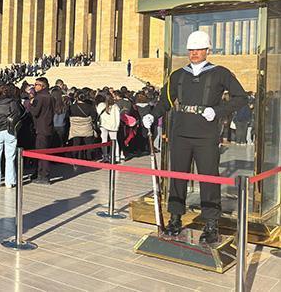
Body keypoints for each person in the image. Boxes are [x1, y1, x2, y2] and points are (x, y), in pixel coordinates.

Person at [143, 30, 246, 243]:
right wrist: (152, 116)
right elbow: (165, 101)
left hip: (205, 135)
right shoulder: (178, 75)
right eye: (191, 49)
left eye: (199, 49)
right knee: (178, 177)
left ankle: (211, 223)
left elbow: (241, 97)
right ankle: (175, 217)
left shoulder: (220, 73)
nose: (194, 53)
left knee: (209, 178)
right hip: (180, 133)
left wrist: (217, 111)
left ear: (207, 50)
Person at [29, 77, 54, 184]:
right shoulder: (50, 96)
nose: (34, 86)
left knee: (42, 153)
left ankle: (44, 175)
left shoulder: (39, 97)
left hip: (41, 128)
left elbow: (35, 112)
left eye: (36, 84)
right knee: (44, 151)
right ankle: (40, 173)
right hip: (48, 126)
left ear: (42, 86)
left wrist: (31, 103)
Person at [96, 94, 121, 163]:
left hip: (103, 125)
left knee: (104, 141)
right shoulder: (115, 107)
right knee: (115, 141)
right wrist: (117, 125)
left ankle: (105, 156)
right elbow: (118, 117)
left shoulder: (101, 105)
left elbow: (98, 114)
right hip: (113, 126)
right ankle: (116, 157)